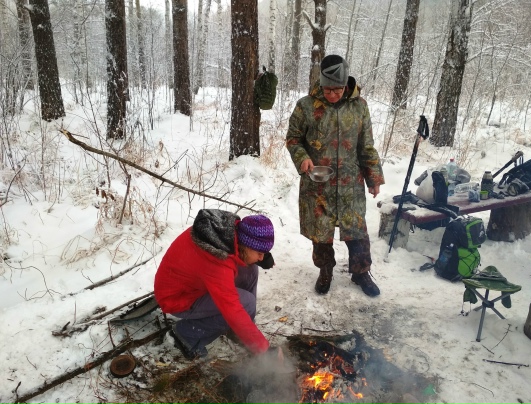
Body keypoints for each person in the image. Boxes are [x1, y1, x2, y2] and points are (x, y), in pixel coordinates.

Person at [286, 54, 385, 297]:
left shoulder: (359, 106)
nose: (332, 94)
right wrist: (302, 158)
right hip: (318, 184)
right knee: (321, 233)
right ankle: (325, 270)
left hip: (351, 183)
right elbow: (293, 139)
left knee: (357, 231)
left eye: (337, 90)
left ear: (345, 84)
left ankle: (361, 272)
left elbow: (366, 146)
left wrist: (373, 178)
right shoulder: (306, 106)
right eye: (327, 89)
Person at [154, 209, 276, 359]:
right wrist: (263, 349)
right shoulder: (216, 260)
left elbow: (241, 256)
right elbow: (231, 308)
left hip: (196, 283)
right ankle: (186, 335)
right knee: (246, 304)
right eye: (259, 253)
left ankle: (242, 329)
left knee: (250, 269)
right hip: (178, 298)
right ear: (245, 245)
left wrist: (261, 255)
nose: (262, 257)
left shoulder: (226, 235)